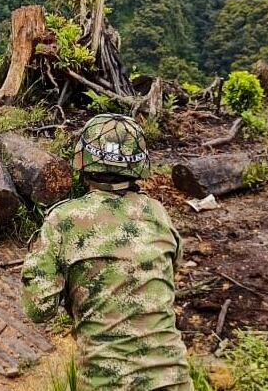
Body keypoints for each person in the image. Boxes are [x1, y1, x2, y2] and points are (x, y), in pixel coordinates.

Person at [21, 113, 192, 390]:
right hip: (173, 380)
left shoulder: (63, 220)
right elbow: (172, 268)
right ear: (138, 164)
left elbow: (38, 308)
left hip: (107, 382)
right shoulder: (157, 214)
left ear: (84, 160)